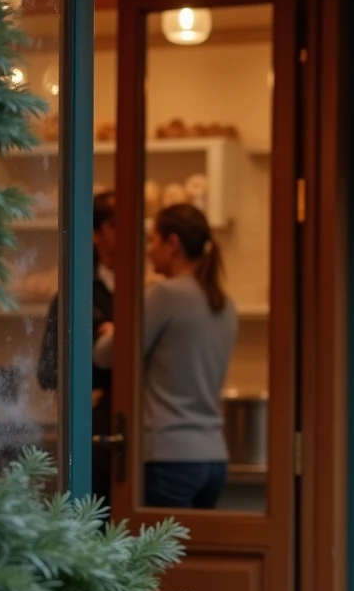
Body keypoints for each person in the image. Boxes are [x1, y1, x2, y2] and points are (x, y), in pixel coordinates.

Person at [93, 204, 237, 509]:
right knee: (195, 556)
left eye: (153, 240)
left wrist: (110, 331)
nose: (148, 249)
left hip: (169, 456)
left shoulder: (165, 295)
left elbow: (105, 356)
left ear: (173, 244)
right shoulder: (225, 303)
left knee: (158, 556)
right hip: (214, 458)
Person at [38, 190, 116, 502]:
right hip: (94, 441)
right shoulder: (75, 294)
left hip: (138, 441)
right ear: (96, 235)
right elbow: (47, 370)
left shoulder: (147, 294)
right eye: (116, 223)